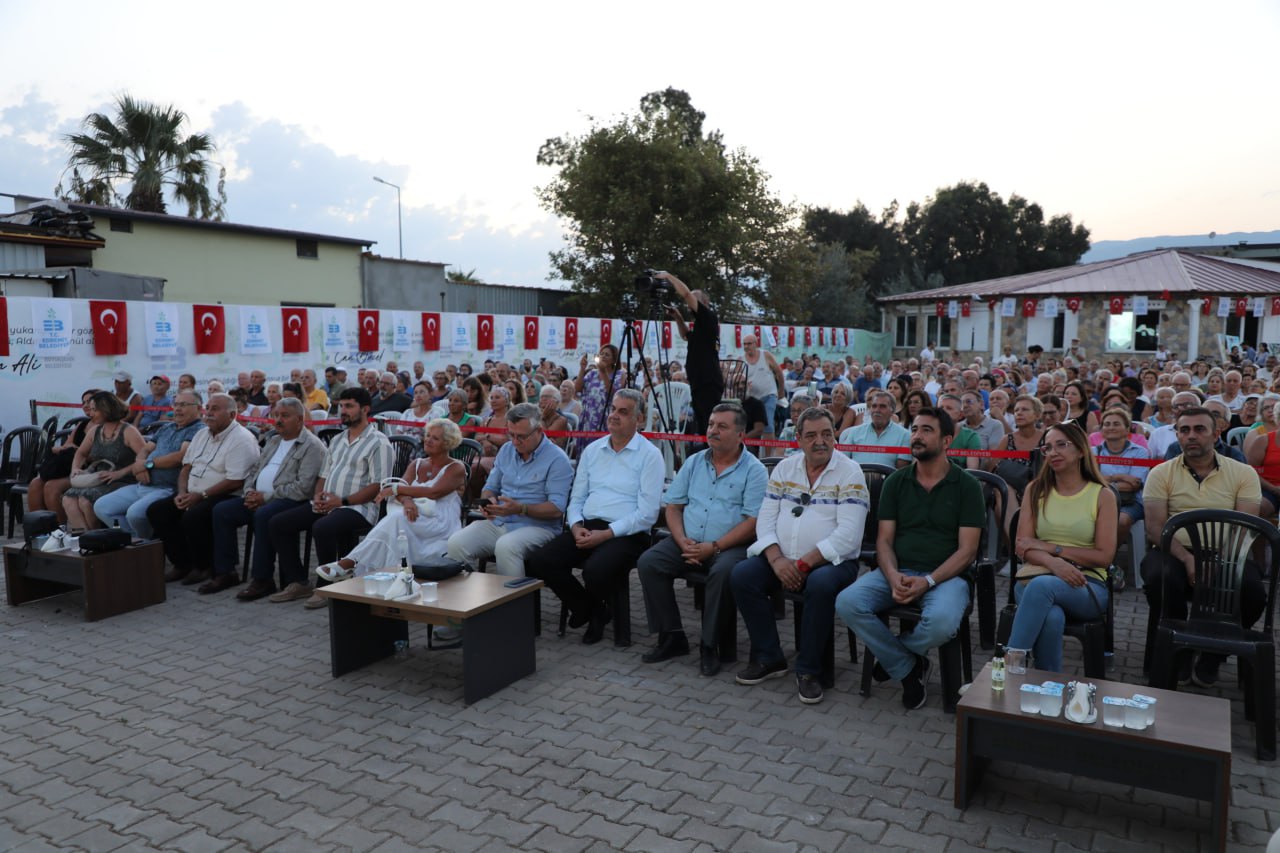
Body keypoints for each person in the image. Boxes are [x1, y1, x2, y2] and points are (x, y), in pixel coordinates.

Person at [836, 406, 983, 710]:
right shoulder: (896, 482)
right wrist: (891, 575)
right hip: (898, 569)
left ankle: (895, 658)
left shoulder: (966, 485)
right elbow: (884, 541)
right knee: (847, 602)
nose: (916, 436)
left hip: (947, 576)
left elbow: (967, 551)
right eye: (914, 429)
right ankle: (908, 666)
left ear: (947, 441)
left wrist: (928, 581)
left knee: (942, 623)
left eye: (926, 430)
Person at [730, 407, 868, 704]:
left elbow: (849, 536)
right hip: (783, 558)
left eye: (827, 434)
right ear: (798, 439)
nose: (820, 441)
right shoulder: (785, 468)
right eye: (811, 435)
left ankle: (809, 671)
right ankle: (770, 658)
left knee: (819, 585)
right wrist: (777, 559)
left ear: (835, 435)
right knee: (742, 576)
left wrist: (804, 563)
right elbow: (765, 520)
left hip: (833, 561)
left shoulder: (850, 472)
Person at [525, 390, 664, 644]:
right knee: (540, 561)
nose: (614, 415)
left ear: (640, 419)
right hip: (589, 525)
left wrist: (608, 534)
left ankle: (595, 617)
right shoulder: (593, 450)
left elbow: (647, 515)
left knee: (595, 570)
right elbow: (576, 498)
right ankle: (592, 610)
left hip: (628, 533)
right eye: (613, 409)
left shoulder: (650, 455)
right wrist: (576, 525)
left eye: (623, 411)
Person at [638, 403, 767, 676]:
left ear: (741, 434)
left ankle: (711, 646)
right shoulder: (695, 461)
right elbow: (673, 507)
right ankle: (671, 636)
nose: (713, 431)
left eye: (722, 426)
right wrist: (682, 539)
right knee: (650, 562)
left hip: (730, 545)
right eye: (711, 424)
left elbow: (753, 522)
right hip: (689, 539)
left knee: (722, 573)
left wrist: (715, 546)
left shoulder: (754, 470)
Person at [1141, 406, 1263, 686]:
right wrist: (1186, 558)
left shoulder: (1243, 473)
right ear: (1177, 436)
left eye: (1199, 429)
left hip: (1228, 554)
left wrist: (1219, 561)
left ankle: (1213, 652)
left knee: (1253, 593)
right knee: (1161, 578)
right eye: (1184, 430)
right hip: (1174, 550)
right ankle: (1177, 649)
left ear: (1216, 434)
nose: (1191, 436)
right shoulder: (1161, 473)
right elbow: (1155, 527)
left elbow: (1244, 527)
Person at [1009, 423, 1119, 672]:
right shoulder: (1035, 489)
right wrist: (1053, 563)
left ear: (1081, 450)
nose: (1053, 452)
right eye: (1047, 447)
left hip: (1087, 584)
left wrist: (1050, 548)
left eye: (1062, 445)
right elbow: (1022, 546)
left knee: (1042, 587)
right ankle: (1048, 686)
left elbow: (1104, 556)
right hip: (1035, 575)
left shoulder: (1102, 495)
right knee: (1052, 614)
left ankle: (1008, 670)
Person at [272, 388, 394, 608]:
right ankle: (298, 581)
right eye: (341, 406)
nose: (343, 411)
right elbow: (324, 475)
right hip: (329, 503)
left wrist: (342, 501)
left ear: (365, 409)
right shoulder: (337, 439)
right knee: (279, 523)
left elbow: (378, 485)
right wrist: (319, 494)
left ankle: (328, 586)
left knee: (323, 528)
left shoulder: (379, 442)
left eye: (349, 406)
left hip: (359, 508)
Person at [316, 419, 467, 582]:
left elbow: (433, 492)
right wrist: (407, 500)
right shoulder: (417, 464)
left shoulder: (456, 467)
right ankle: (354, 565)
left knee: (395, 520)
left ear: (447, 443)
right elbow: (401, 488)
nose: (428, 440)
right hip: (413, 514)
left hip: (440, 521)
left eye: (435, 438)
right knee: (397, 521)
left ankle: (350, 562)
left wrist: (396, 490)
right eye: (427, 435)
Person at [206, 398, 327, 599]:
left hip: (290, 500)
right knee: (222, 511)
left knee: (264, 515)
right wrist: (249, 492)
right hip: (259, 497)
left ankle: (262, 579)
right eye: (276, 415)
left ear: (299, 419)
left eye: (285, 416)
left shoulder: (312, 446)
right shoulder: (273, 440)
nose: (278, 420)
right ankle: (226, 572)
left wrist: (266, 497)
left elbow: (303, 488)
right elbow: (254, 470)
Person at [446, 401, 574, 578]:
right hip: (501, 521)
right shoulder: (507, 450)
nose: (515, 441)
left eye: (521, 436)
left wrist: (521, 509)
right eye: (511, 434)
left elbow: (557, 509)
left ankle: (514, 603)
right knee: (456, 543)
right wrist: (488, 502)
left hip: (540, 528)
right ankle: (467, 600)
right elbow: (490, 487)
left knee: (507, 546)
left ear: (539, 431)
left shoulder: (557, 459)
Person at [145, 393, 261, 586]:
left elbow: (235, 481)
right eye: (208, 408)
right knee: (158, 511)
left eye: (215, 409)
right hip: (192, 491)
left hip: (225, 494)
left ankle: (204, 566)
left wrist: (201, 495)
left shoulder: (242, 439)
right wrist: (182, 492)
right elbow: (186, 467)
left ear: (232, 415)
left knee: (194, 516)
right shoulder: (201, 434)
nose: (209, 413)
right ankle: (182, 563)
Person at [93, 390, 206, 538]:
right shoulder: (167, 427)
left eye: (183, 405)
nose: (177, 409)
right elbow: (145, 449)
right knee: (102, 507)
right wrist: (140, 467)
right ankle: (134, 542)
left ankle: (144, 546)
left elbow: (180, 457)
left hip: (166, 489)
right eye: (176, 404)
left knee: (135, 514)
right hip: (142, 485)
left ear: (198, 408)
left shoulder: (198, 430)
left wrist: (147, 465)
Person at [62, 391, 147, 530]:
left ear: (106, 409)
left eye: (94, 410)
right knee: (68, 499)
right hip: (98, 478)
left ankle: (96, 539)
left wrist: (119, 473)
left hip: (123, 480)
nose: (91, 414)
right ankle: (85, 538)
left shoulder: (128, 431)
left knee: (85, 501)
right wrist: (75, 468)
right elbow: (81, 452)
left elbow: (145, 459)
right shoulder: (95, 430)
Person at [657, 271, 723, 436]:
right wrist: (678, 318)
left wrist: (668, 276)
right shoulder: (701, 325)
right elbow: (687, 336)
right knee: (702, 425)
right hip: (698, 381)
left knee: (709, 423)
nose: (688, 304)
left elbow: (686, 294)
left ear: (705, 302)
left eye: (694, 300)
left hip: (708, 381)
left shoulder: (708, 317)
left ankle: (714, 455)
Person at [28, 390, 97, 522]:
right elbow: (66, 445)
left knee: (51, 486)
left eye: (90, 401)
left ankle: (59, 532)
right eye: (84, 402)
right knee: (35, 484)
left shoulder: (103, 426)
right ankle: (39, 530)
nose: (86, 405)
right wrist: (61, 449)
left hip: (87, 469)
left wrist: (76, 450)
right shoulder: (82, 424)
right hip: (68, 467)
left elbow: (98, 456)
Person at [1094, 406, 1149, 552]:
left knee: (1121, 521)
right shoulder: (1093, 452)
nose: (1111, 427)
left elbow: (1133, 486)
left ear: (1127, 429)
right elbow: (1090, 482)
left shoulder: (1140, 452)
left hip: (1130, 502)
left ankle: (1107, 557)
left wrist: (1104, 481)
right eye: (1107, 424)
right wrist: (1120, 477)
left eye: (1116, 424)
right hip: (1097, 500)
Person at [839, 389, 909, 469]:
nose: (877, 410)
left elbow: (901, 471)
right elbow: (843, 460)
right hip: (857, 479)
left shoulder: (904, 435)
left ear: (892, 411)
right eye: (874, 406)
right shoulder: (855, 432)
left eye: (882, 406)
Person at [574, 344, 622, 451]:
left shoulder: (619, 375)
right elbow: (577, 389)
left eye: (607, 355)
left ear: (614, 359)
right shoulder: (592, 374)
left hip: (605, 418)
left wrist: (604, 372)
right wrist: (582, 369)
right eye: (601, 354)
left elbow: (613, 395)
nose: (603, 357)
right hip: (588, 418)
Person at [741, 334, 786, 441]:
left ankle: (768, 456)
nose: (746, 346)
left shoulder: (765, 355)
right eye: (744, 344)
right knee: (751, 426)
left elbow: (779, 373)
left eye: (749, 343)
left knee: (768, 425)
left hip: (768, 395)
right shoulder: (741, 359)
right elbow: (738, 378)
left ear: (756, 344)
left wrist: (781, 391)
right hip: (752, 399)